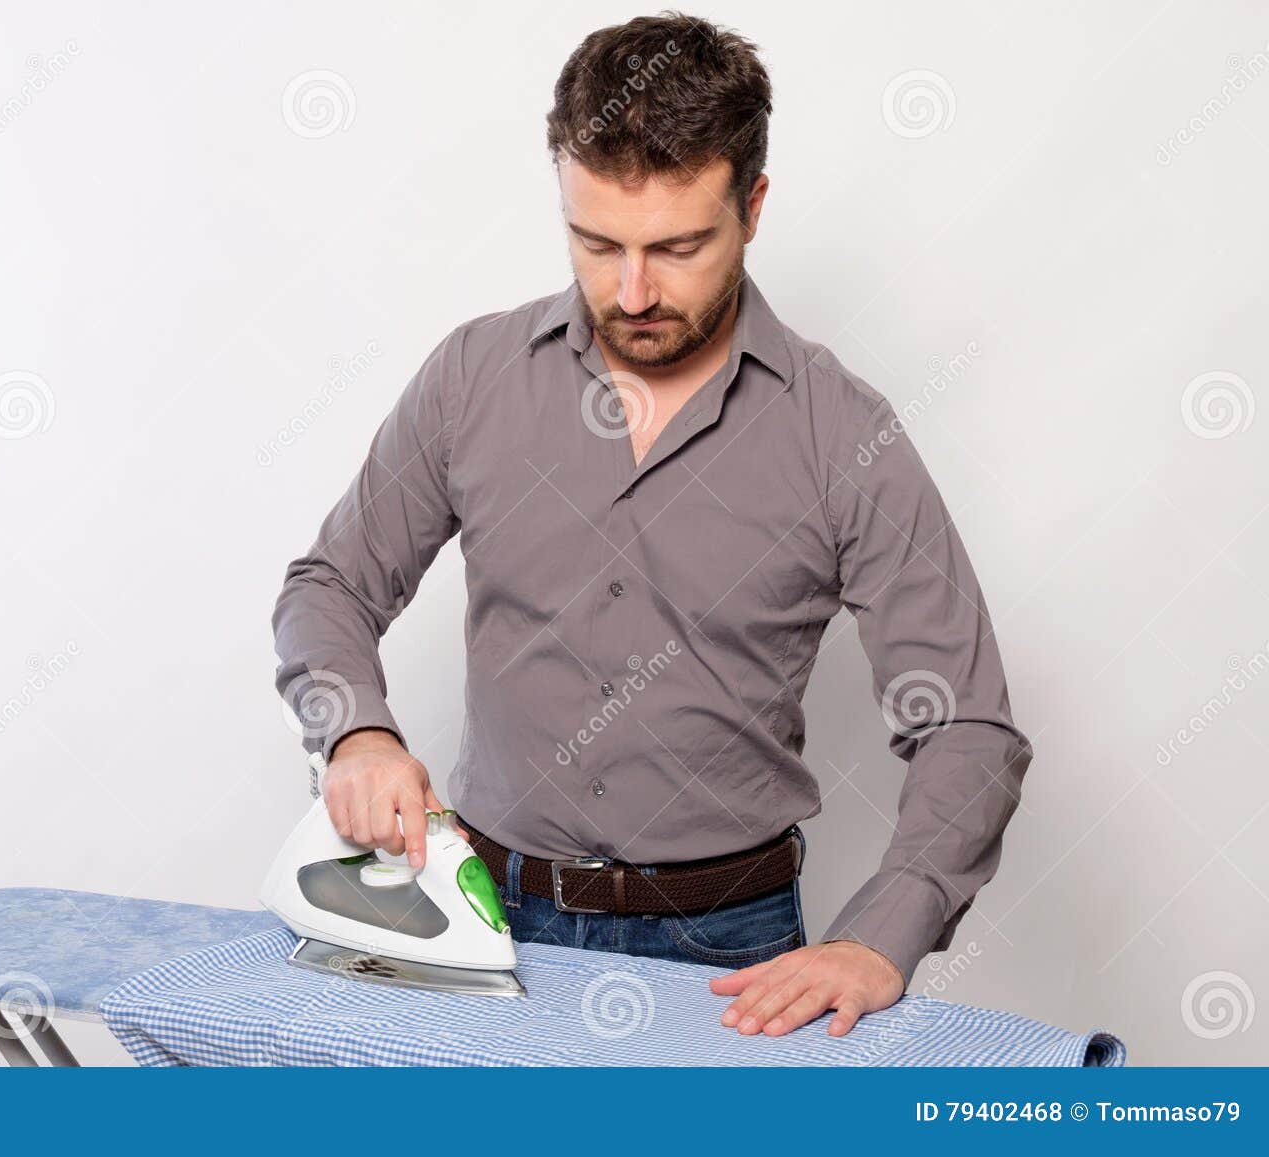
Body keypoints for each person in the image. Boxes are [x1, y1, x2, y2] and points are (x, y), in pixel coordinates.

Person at [271, 11, 1032, 1039]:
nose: (631, 293)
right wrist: (355, 729)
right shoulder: (472, 378)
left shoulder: (842, 433)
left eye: (677, 247)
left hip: (731, 954)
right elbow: (329, 585)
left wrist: (882, 932)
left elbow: (968, 726)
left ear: (751, 207)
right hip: (487, 925)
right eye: (596, 244)